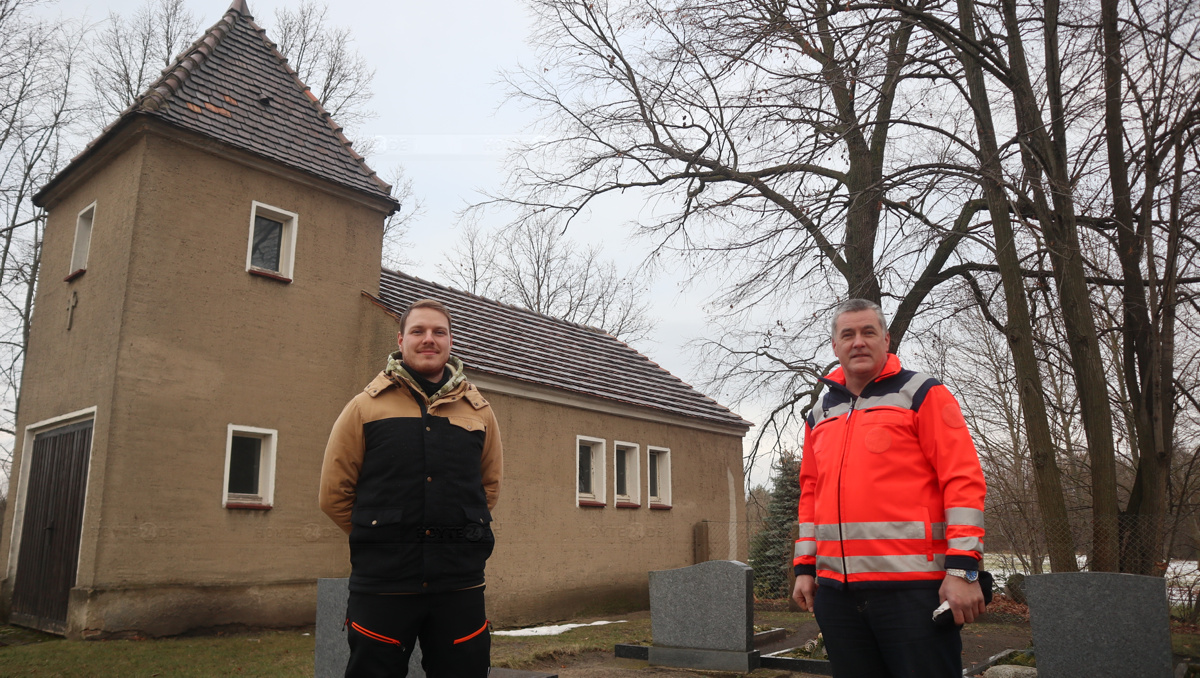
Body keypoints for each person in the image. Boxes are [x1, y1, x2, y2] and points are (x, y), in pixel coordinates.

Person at [791, 298, 986, 678]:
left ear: (886, 339)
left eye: (868, 332)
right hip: (838, 597)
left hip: (913, 593)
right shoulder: (820, 413)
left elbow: (962, 479)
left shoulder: (922, 394)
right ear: (835, 346)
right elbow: (811, 492)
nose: (858, 342)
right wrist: (805, 568)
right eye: (848, 334)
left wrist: (963, 570)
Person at [320, 299, 503, 678]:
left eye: (439, 332)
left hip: (459, 585)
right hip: (383, 585)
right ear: (401, 341)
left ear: (450, 342)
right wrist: (380, 537)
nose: (429, 339)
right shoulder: (363, 408)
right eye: (418, 331)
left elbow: (488, 488)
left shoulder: (479, 411)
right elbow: (334, 494)